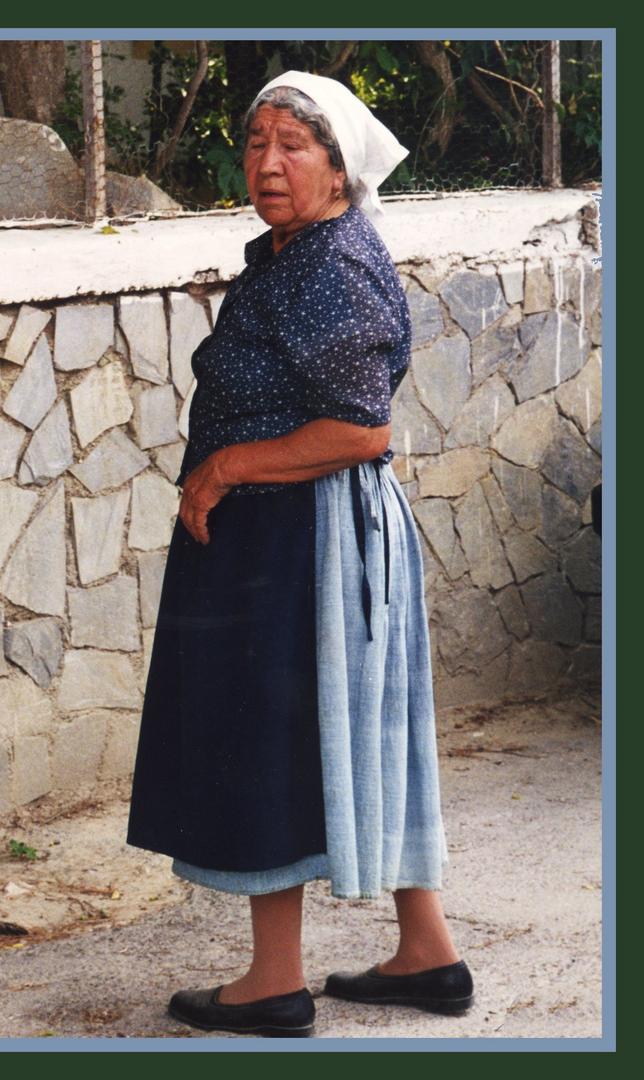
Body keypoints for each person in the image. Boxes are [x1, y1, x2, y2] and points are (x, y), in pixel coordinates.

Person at [126, 72, 472, 1038]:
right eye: (256, 144)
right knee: (356, 727)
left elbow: (360, 430)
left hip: (298, 538)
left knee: (266, 737)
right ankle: (427, 953)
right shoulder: (294, 251)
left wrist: (225, 466)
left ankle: (272, 983)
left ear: (338, 168)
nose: (268, 163)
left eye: (293, 145)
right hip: (288, 532)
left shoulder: (328, 260)